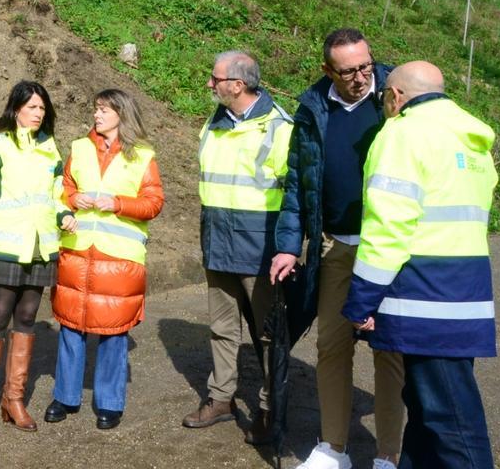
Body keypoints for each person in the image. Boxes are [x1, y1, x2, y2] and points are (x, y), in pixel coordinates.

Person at [342, 61, 497, 469]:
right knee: (427, 418)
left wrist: (361, 302)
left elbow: (387, 228)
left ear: (395, 96)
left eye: (384, 97)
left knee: (452, 425)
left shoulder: (403, 134)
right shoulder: (470, 139)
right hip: (463, 296)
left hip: (423, 299)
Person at [270, 28, 403, 469]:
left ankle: (388, 455)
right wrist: (289, 246)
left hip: (388, 247)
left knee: (389, 349)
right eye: (348, 72)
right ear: (328, 70)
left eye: (366, 66)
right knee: (331, 345)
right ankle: (334, 447)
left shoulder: (397, 98)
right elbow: (297, 182)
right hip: (336, 246)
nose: (361, 78)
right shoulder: (312, 109)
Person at [183, 51, 292, 445]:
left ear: (238, 84)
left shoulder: (280, 127)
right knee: (221, 328)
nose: (209, 84)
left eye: (215, 79)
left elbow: (294, 196)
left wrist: (289, 247)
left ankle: (269, 407)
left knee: (268, 333)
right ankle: (221, 399)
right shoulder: (213, 124)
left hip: (260, 248)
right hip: (217, 240)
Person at [44, 89, 164, 430]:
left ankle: (109, 403)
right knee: (71, 325)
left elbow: (154, 202)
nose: (97, 115)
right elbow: (62, 189)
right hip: (78, 250)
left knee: (114, 331)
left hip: (119, 258)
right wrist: (73, 198)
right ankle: (65, 397)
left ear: (121, 115)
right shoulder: (80, 148)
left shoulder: (143, 156)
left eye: (104, 110)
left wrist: (118, 203)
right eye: (96, 109)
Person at [0, 80, 63, 438]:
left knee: (27, 318)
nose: (38, 113)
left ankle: (14, 400)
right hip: (4, 248)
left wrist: (65, 214)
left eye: (42, 108)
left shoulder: (49, 147)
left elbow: (58, 194)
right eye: (32, 107)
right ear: (16, 108)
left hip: (40, 248)